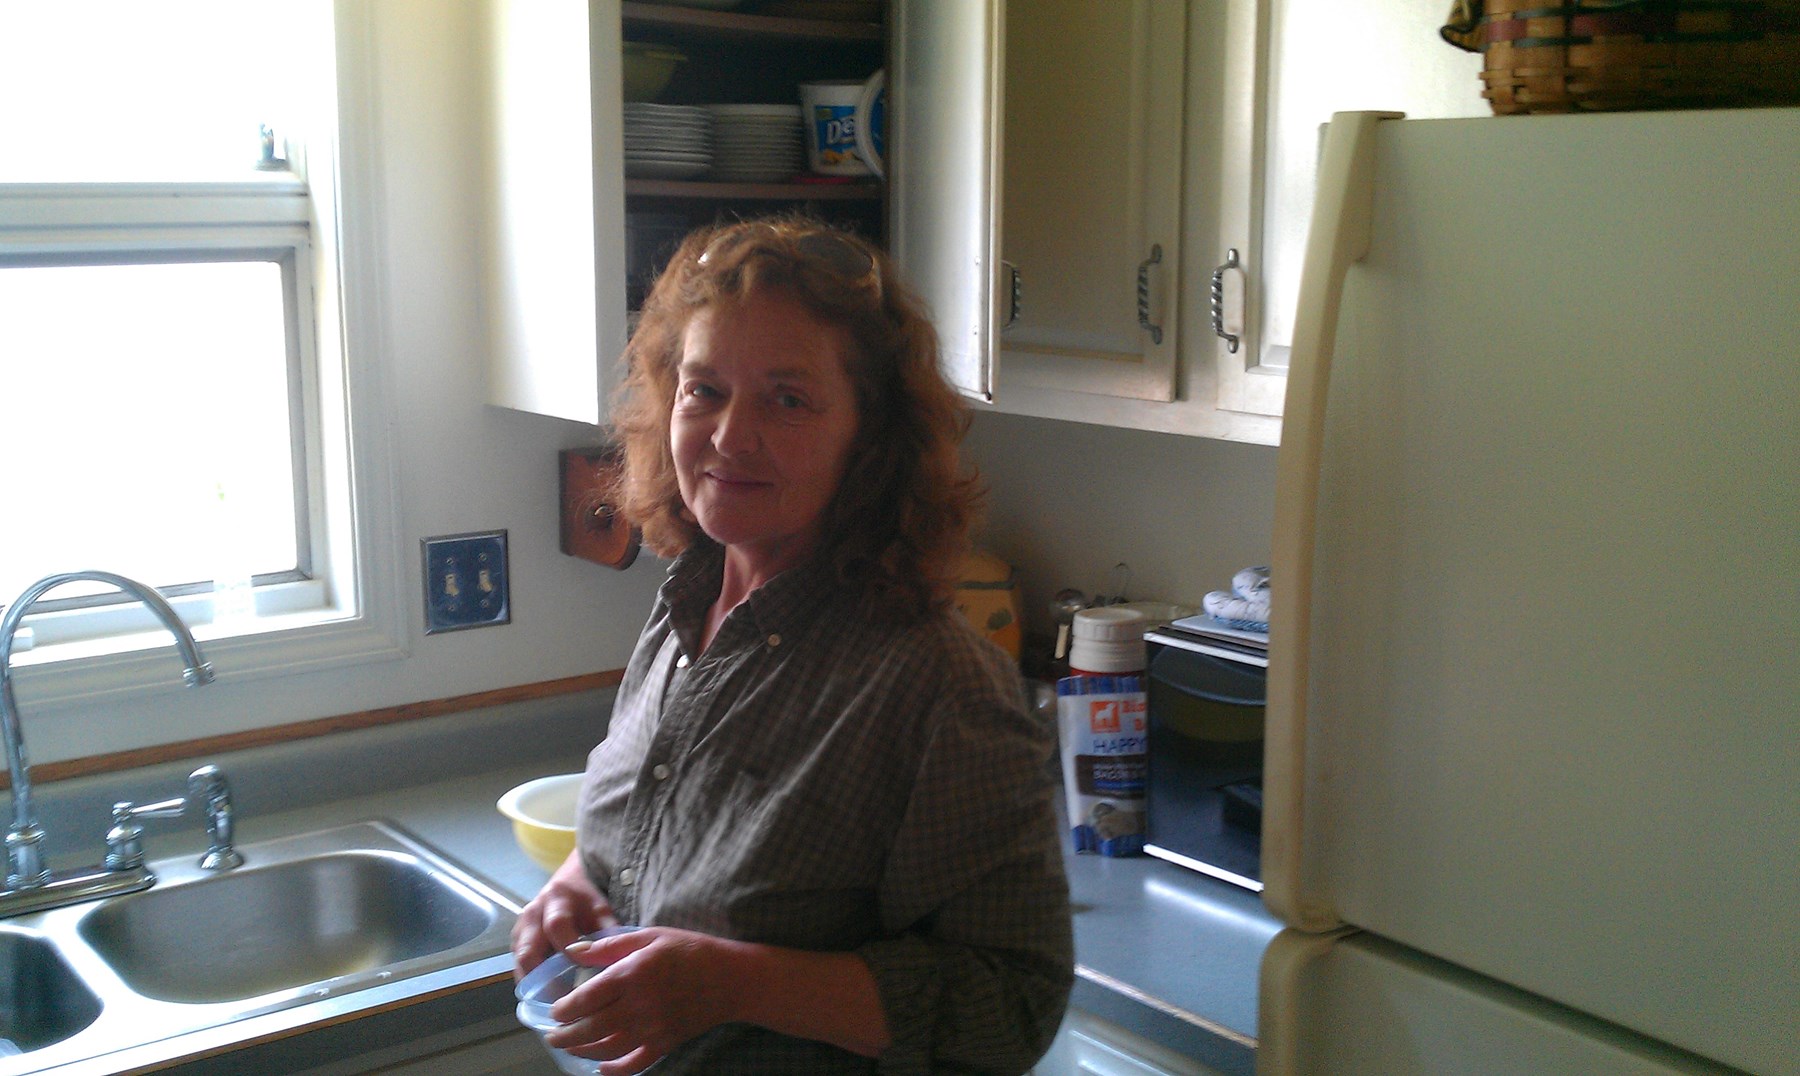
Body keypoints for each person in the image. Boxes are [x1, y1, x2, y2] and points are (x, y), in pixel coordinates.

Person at [510, 216, 1074, 1074]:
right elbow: (651, 845)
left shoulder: (938, 688)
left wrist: (734, 984)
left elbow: (1013, 1006)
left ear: (870, 439)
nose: (730, 436)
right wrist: (582, 885)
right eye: (704, 390)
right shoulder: (685, 607)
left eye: (788, 400)